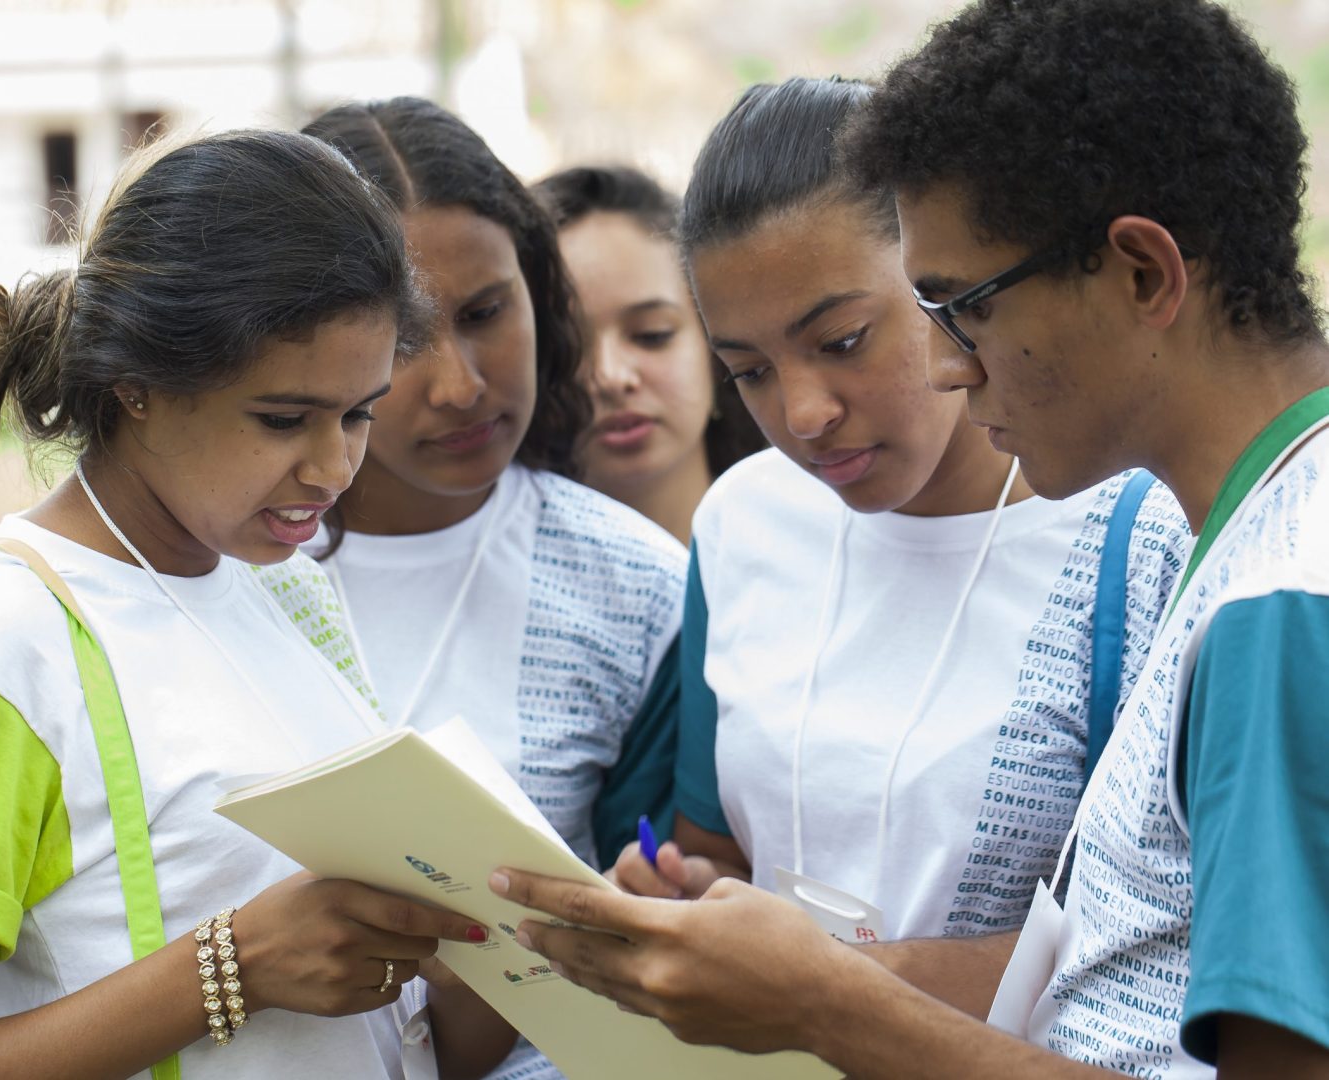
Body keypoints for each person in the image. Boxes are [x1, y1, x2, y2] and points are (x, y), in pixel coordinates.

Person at [491, 1, 1329, 1077]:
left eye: (961, 307)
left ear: (1143, 273)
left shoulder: (1281, 600)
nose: (948, 365)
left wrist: (826, 1002)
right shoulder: (1263, 544)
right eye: (748, 367)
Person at [0, 130, 507, 1080]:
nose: (334, 467)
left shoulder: (282, 586)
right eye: (284, 418)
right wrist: (234, 966)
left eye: (359, 412)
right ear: (136, 386)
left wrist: (484, 951)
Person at [606, 75, 1188, 967]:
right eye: (749, 370)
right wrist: (677, 902)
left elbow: (1150, 959)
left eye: (842, 342)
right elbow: (721, 854)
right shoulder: (742, 520)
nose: (803, 413)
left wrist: (823, 990)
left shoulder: (1135, 538)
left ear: (946, 284)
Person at [302, 99, 688, 1080]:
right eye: (401, 339)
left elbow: (640, 970)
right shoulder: (222, 566)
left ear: (539, 288)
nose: (462, 385)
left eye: (485, 313)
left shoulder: (643, 590)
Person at [531, 165, 764, 543]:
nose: (611, 376)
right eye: (571, 346)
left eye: (651, 335)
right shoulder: (505, 580)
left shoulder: (812, 539)